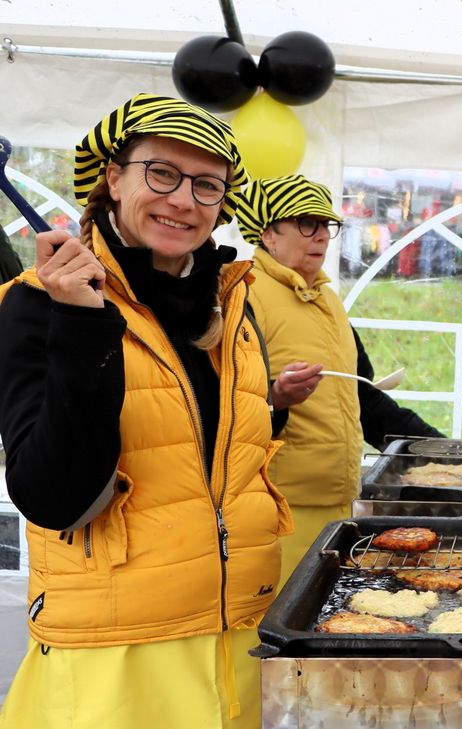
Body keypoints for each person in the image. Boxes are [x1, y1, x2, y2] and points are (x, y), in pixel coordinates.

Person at [0, 93, 317, 729]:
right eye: (162, 173)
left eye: (207, 185)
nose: (183, 200)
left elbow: (219, 444)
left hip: (244, 635)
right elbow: (52, 496)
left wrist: (271, 409)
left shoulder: (232, 302)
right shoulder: (36, 305)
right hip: (117, 659)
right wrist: (80, 324)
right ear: (113, 178)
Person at [237, 174, 444, 586]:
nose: (320, 237)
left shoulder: (328, 300)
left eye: (327, 226)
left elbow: (365, 399)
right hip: (278, 508)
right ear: (267, 233)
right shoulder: (244, 296)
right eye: (305, 223)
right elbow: (225, 405)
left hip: (337, 501)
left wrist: (440, 450)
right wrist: (276, 396)